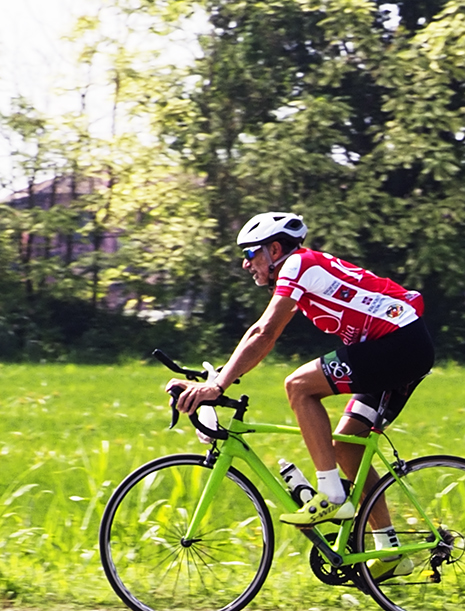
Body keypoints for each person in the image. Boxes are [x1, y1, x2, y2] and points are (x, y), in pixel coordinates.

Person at [172, 212, 435, 543]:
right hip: (402, 346)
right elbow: (265, 337)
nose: (245, 264)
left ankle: (331, 495)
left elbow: (264, 332)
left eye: (250, 254)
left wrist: (218, 385)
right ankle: (389, 548)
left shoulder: (298, 266)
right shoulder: (308, 274)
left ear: (276, 250)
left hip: (397, 345)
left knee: (298, 386)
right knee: (345, 447)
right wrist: (222, 374)